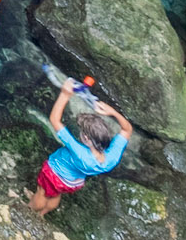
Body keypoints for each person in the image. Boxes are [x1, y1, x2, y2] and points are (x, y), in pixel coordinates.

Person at [28, 78, 133, 217]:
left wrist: (65, 94)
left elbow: (55, 120)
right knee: (55, 194)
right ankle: (43, 213)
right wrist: (113, 112)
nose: (81, 133)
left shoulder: (78, 150)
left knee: (42, 192)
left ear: (87, 139)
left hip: (54, 174)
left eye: (83, 132)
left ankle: (29, 209)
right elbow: (127, 130)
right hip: (73, 182)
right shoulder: (111, 159)